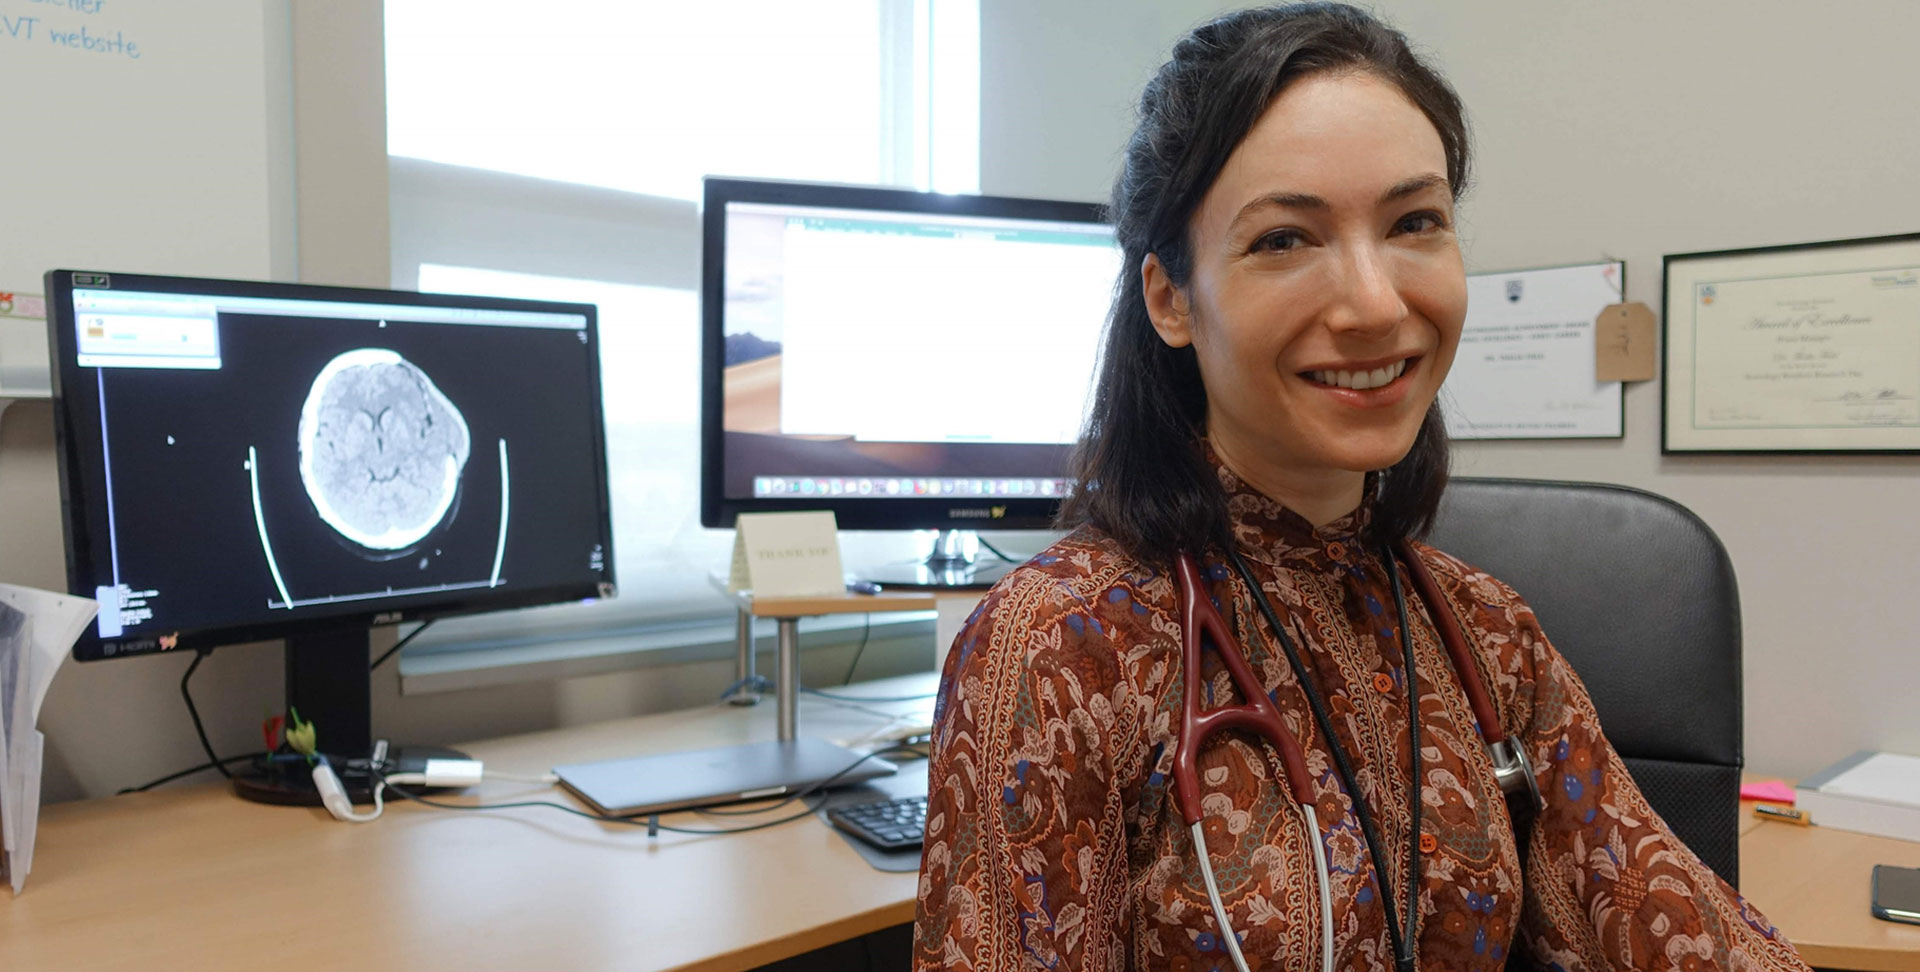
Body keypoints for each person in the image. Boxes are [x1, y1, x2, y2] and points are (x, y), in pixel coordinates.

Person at [911, 5, 1811, 971]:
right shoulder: (1061, 647)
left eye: (1415, 222)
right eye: (1285, 240)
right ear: (1173, 299)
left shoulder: (1487, 636)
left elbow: (1682, 935)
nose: (1379, 304)